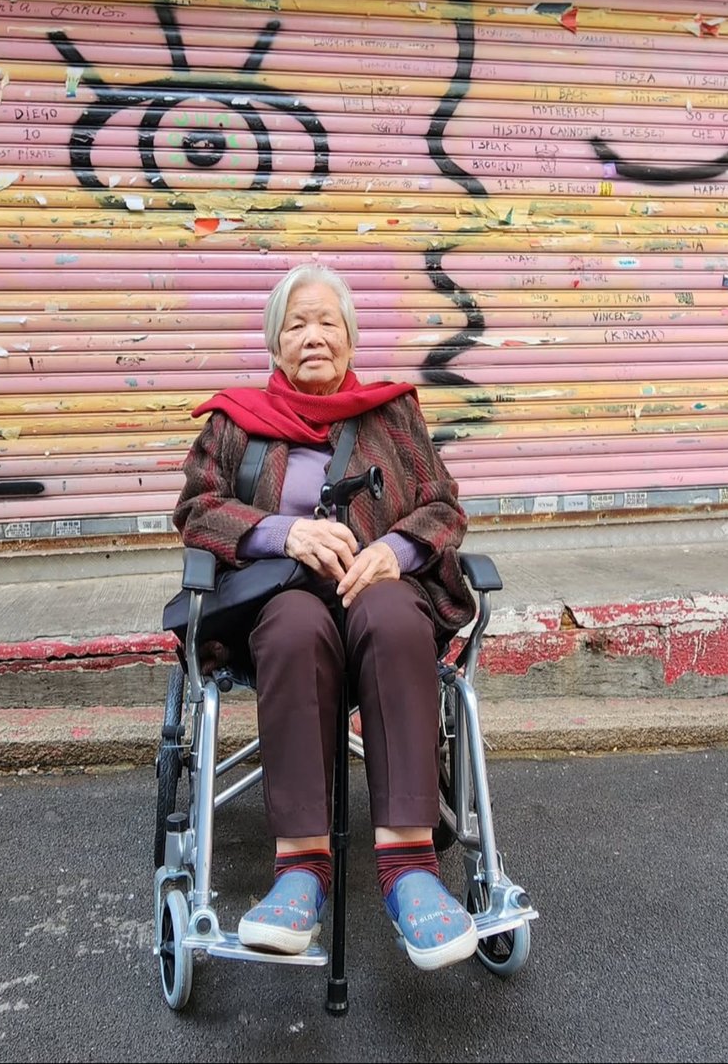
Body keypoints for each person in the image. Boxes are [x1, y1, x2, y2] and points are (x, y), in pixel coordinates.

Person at [173, 262, 480, 972]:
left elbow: (443, 505)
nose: (313, 335)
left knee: (395, 618)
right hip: (283, 599)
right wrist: (284, 533)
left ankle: (411, 871)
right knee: (291, 627)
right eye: (296, 324)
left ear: (350, 339)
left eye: (327, 322)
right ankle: (300, 872)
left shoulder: (392, 412)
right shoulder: (234, 422)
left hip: (382, 595)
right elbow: (197, 510)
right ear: (275, 346)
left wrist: (397, 549)